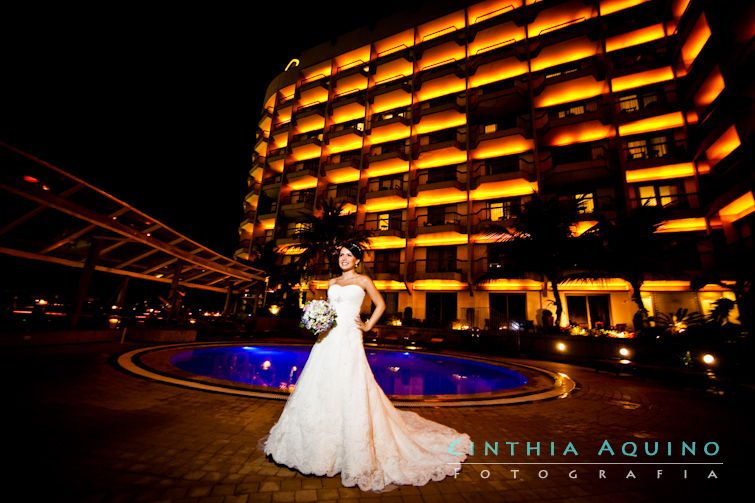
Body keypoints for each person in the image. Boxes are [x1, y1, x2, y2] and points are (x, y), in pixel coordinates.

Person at [261, 243, 472, 492]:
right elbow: (328, 308)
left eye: (349, 255)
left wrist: (369, 324)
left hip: (350, 335)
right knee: (320, 382)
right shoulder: (330, 283)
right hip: (327, 338)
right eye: (341, 255)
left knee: (351, 382)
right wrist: (317, 315)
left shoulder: (363, 281)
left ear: (357, 260)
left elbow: (380, 305)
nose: (344, 259)